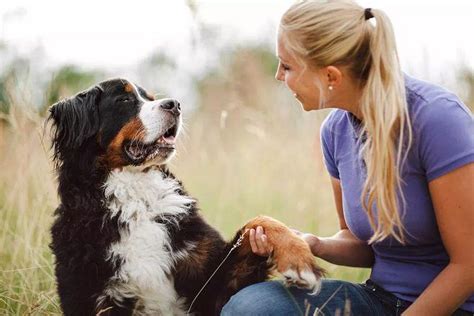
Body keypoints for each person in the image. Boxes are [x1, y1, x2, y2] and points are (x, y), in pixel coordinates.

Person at [221, 1, 474, 315]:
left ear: (331, 76)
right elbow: (361, 244)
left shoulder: (437, 119)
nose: (277, 76)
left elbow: (468, 265)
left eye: (287, 66)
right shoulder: (335, 132)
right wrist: (314, 243)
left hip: (454, 307)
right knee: (251, 307)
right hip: (379, 300)